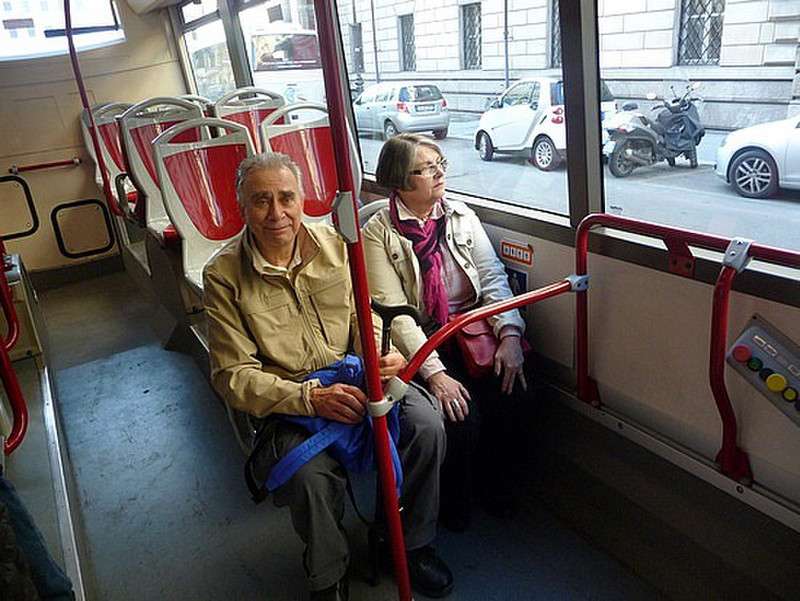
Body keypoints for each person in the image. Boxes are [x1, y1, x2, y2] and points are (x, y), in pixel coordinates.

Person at [203, 152, 453, 600]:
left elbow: (365, 317)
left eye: (286, 198)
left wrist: (378, 356)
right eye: (261, 201)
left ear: (302, 200)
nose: (276, 213)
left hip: (356, 375)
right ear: (241, 208)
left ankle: (408, 542)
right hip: (291, 399)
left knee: (426, 426)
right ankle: (329, 571)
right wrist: (308, 398)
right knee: (311, 477)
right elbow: (232, 374)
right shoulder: (223, 276)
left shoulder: (337, 247)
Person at [362, 133, 529, 533]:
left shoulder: (459, 214)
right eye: (424, 169)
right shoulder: (378, 233)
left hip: (472, 326)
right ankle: (456, 504)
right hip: (424, 336)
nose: (438, 175)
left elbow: (492, 279)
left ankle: (497, 487)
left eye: (440, 164)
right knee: (459, 417)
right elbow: (397, 316)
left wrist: (508, 333)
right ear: (401, 182)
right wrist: (435, 374)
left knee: (514, 393)